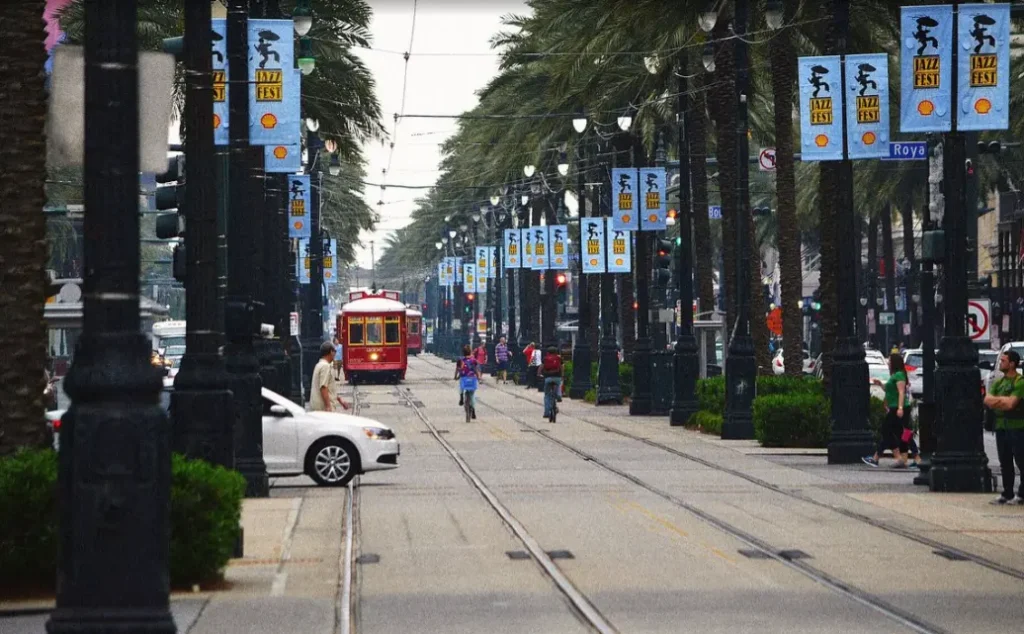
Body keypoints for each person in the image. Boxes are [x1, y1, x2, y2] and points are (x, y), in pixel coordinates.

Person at [983, 350, 1024, 505]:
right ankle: (1007, 492)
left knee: (1020, 460)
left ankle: (1022, 494)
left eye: (1004, 361)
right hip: (1001, 426)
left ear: (1012, 363)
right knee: (1005, 460)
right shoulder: (999, 382)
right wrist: (1002, 401)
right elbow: (987, 399)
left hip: (1018, 426)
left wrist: (998, 402)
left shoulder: (1020, 382)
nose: (1000, 363)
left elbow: (1011, 404)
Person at [863, 351, 913, 468]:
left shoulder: (900, 375)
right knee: (897, 433)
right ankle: (881, 458)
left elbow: (901, 392)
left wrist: (900, 408)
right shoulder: (895, 375)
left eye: (890, 361)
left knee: (887, 429)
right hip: (895, 407)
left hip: (898, 408)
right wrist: (880, 384)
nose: (888, 363)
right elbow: (890, 390)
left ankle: (898, 457)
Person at [309, 341, 350, 412]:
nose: (335, 354)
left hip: (317, 408)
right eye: (335, 351)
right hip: (323, 409)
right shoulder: (325, 366)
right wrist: (328, 406)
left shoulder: (319, 365)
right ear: (331, 352)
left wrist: (341, 401)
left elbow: (330, 389)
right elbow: (323, 387)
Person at [453, 344, 480, 418]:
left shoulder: (460, 360)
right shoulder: (473, 360)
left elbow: (457, 369)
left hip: (464, 378)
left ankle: (461, 396)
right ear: (470, 352)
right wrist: (478, 377)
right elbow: (476, 370)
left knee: (461, 386)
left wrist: (456, 377)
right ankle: (473, 410)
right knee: (472, 395)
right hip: (472, 379)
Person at [540, 346, 564, 421]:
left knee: (547, 395)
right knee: (559, 383)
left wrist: (539, 374)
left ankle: (546, 412)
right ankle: (559, 395)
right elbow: (562, 367)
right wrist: (562, 375)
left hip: (548, 378)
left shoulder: (545, 358)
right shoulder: (559, 358)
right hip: (557, 377)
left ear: (548, 352)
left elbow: (541, 367)